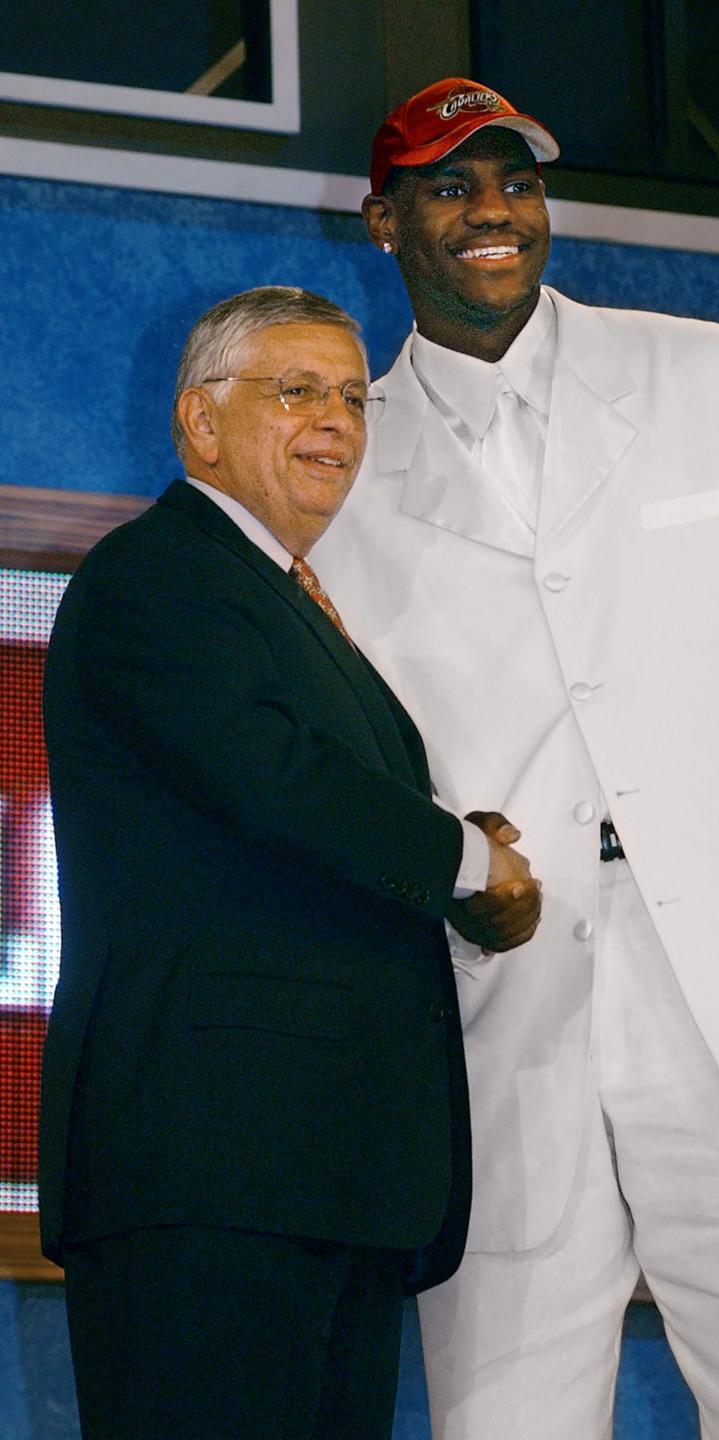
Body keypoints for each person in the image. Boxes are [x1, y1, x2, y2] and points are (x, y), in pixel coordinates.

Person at [309, 80, 719, 1440]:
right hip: (493, 1015)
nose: (493, 212)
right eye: (451, 187)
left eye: (515, 182)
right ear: (383, 220)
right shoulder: (341, 461)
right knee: (505, 1420)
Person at [39, 284, 541, 1440]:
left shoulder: (283, 601)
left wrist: (450, 872)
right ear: (200, 424)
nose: (336, 422)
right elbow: (277, 781)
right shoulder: (158, 575)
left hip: (328, 1170)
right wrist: (468, 861)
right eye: (296, 391)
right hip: (210, 1169)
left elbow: (309, 821)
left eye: (355, 400)